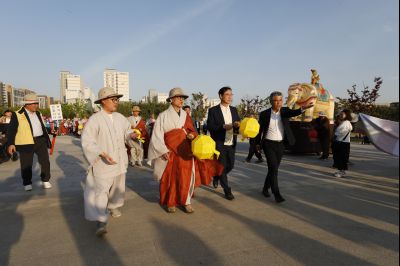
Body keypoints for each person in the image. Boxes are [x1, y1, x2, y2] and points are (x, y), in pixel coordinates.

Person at [148, 87, 222, 213]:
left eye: (182, 98)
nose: (181, 100)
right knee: (171, 177)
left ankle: (186, 201)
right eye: (178, 97)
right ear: (171, 100)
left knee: (187, 176)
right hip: (170, 151)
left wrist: (192, 135)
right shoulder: (163, 115)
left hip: (185, 150)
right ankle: (170, 202)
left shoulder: (185, 115)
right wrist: (162, 150)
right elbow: (157, 135)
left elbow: (191, 130)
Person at [81, 87, 137, 237]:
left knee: (117, 187)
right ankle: (100, 220)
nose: (116, 102)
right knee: (101, 190)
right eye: (113, 99)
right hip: (103, 161)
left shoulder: (120, 117)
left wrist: (131, 135)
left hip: (119, 160)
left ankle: (113, 206)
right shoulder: (95, 119)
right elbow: (87, 141)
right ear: (103, 101)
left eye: (117, 99)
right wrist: (100, 153)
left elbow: (127, 131)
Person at [255, 91, 314, 203]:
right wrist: (257, 143)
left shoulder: (285, 111)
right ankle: (276, 193)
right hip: (268, 144)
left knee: (273, 169)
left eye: (280, 100)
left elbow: (294, 112)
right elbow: (260, 130)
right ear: (271, 101)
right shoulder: (264, 114)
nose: (278, 102)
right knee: (273, 168)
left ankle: (264, 189)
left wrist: (303, 108)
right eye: (276, 100)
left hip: (281, 144)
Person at [7, 94, 52, 191]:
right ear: (26, 104)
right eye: (33, 104)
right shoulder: (17, 114)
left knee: (45, 161)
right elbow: (11, 130)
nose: (36, 105)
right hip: (25, 142)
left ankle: (45, 180)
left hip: (40, 141)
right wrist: (11, 143)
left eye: (36, 103)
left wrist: (51, 131)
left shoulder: (38, 113)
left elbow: (42, 127)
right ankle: (27, 182)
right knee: (26, 164)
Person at [207, 86, 241, 200]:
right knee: (222, 166)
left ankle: (216, 176)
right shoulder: (213, 110)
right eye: (227, 94)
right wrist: (223, 127)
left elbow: (238, 123)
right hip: (219, 143)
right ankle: (227, 190)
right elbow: (210, 127)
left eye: (231, 94)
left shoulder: (234, 110)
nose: (230, 97)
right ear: (221, 96)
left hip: (231, 143)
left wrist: (238, 125)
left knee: (230, 165)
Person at [332, 109, 353, 178]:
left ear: (346, 115)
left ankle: (342, 172)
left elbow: (339, 133)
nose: (340, 115)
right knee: (340, 157)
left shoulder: (346, 123)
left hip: (342, 143)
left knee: (341, 157)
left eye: (342, 114)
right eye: (340, 114)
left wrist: (335, 132)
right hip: (343, 142)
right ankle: (341, 170)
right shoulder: (344, 122)